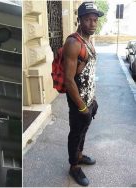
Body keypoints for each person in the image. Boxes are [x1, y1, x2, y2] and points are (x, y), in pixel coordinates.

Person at [62, 2, 102, 186]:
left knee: (83, 132)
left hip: (89, 100)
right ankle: (74, 167)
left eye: (95, 20)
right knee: (75, 134)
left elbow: (89, 73)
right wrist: (82, 106)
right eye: (88, 19)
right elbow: (69, 80)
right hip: (79, 102)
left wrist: (92, 100)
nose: (93, 23)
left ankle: (79, 155)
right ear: (79, 20)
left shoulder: (88, 40)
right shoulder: (73, 43)